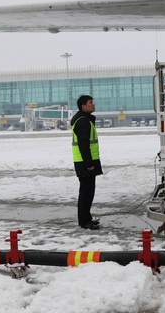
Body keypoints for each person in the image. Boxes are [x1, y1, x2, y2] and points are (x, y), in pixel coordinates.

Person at [71, 95, 103, 230]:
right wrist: (89, 163)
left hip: (85, 161)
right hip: (85, 163)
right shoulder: (83, 121)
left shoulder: (85, 120)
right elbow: (83, 145)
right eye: (90, 103)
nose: (93, 105)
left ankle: (86, 218)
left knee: (88, 191)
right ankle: (84, 221)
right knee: (86, 192)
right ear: (83, 106)